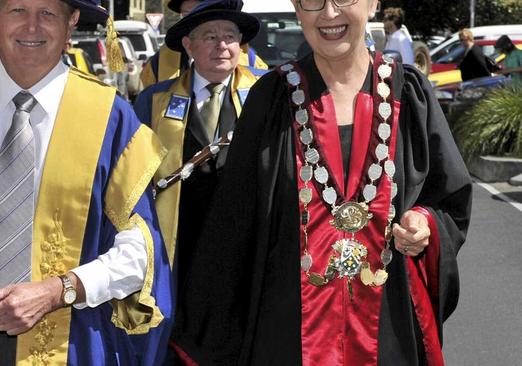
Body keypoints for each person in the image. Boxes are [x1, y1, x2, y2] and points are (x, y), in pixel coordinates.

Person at [171, 0, 472, 364]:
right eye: (312, 1)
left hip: (388, 328)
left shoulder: (409, 95)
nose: (329, 14)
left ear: (373, 3)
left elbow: (449, 199)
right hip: (286, 335)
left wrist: (424, 222)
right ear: (298, 10)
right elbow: (234, 225)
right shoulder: (270, 100)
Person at [0, 0, 172, 365]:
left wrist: (59, 290)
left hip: (71, 339)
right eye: (18, 10)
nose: (32, 27)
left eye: (48, 13)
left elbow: (140, 249)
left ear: (71, 23)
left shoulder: (109, 116)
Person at [133, 0, 261, 363]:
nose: (222, 45)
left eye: (230, 37)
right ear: (188, 45)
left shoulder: (268, 94)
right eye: (210, 36)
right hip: (180, 248)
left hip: (244, 248)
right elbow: (134, 180)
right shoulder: (154, 101)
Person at [139, 0, 268, 88]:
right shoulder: (159, 64)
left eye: (200, 13)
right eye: (186, 15)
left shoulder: (251, 63)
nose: (192, 21)